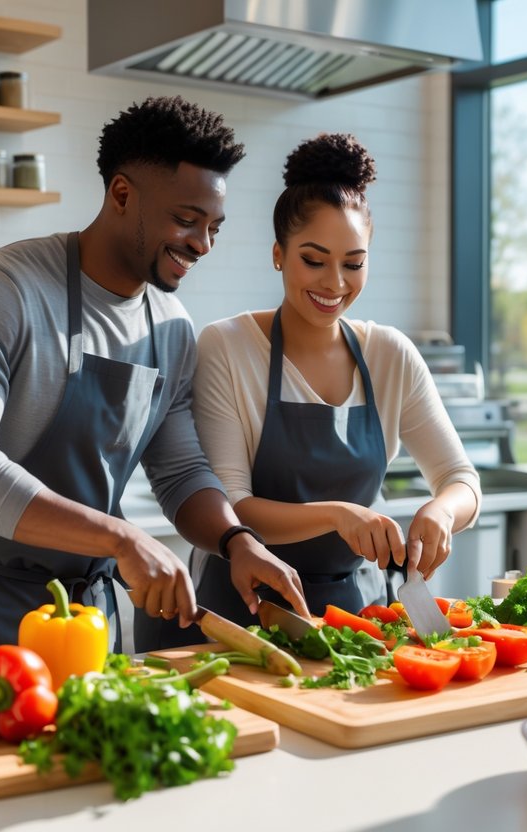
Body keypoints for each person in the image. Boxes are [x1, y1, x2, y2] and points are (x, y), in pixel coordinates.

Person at [0, 96, 309, 684]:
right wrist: (119, 537)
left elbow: (180, 470)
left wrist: (235, 540)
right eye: (186, 220)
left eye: (213, 227)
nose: (202, 245)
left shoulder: (171, 328)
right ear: (121, 195)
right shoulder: (2, 290)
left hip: (91, 627)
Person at [147, 133, 480, 645]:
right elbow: (233, 504)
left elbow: (461, 479)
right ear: (279, 255)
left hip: (357, 617)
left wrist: (441, 511)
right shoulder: (228, 346)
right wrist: (337, 515)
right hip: (244, 611)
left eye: (353, 263)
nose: (334, 283)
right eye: (314, 259)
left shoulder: (390, 354)